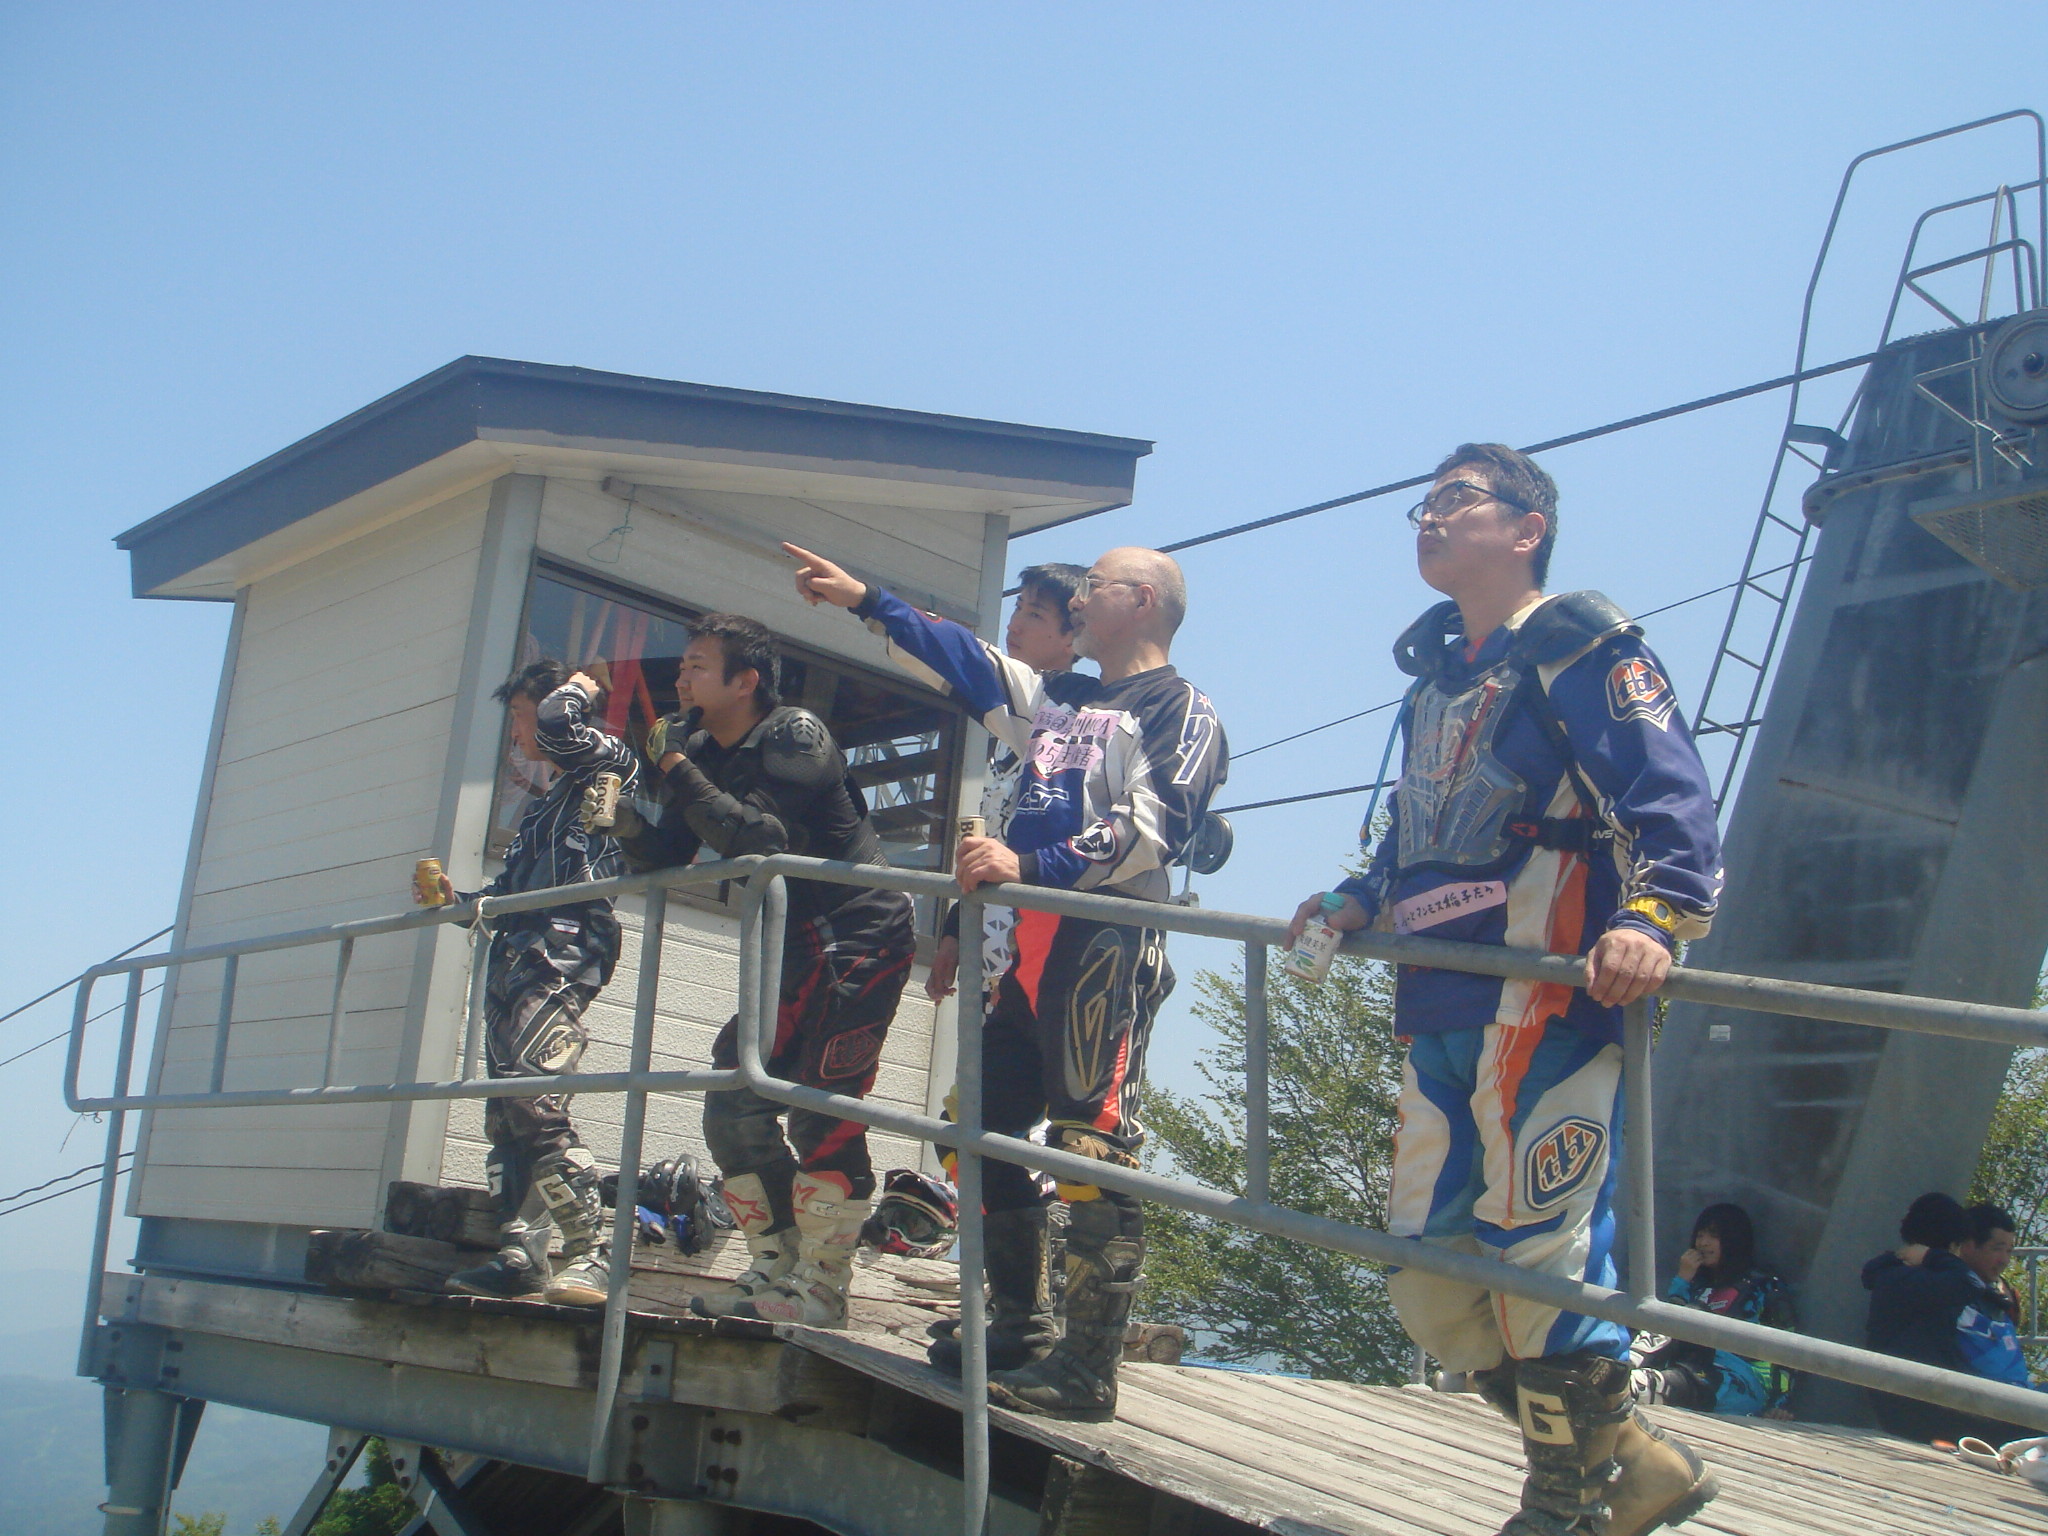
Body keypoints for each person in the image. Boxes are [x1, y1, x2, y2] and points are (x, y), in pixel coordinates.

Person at [1284, 444, 1724, 1536]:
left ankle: (1564, 1508)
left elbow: (1672, 797)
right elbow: (1419, 824)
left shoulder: (1585, 649)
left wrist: (1651, 918)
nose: (1429, 520)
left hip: (1547, 993)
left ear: (1528, 528)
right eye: (1423, 506)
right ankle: (1635, 1458)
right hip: (1437, 995)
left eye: (1455, 501)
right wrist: (1354, 898)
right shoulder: (1437, 676)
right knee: (1426, 1275)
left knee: (1539, 1254)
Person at [784, 538, 1228, 1423]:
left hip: (1104, 947)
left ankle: (1089, 1370)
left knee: (1090, 1148)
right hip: (1023, 954)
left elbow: (1157, 830)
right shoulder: (1060, 700)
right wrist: (867, 598)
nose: (1078, 600)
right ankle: (1020, 1325)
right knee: (971, 1129)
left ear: (1141, 601)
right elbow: (967, 659)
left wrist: (1027, 862)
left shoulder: (1184, 709)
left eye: (1094, 585)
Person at [614, 613, 916, 1328]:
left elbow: (758, 836)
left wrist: (674, 767)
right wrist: (620, 819)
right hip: (790, 940)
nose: (681, 678)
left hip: (862, 930)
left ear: (746, 680)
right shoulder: (696, 747)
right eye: (682, 665)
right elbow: (670, 852)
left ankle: (823, 1287)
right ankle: (774, 1268)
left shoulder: (794, 733)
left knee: (823, 1106)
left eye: (696, 665)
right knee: (734, 1103)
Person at [426, 662, 639, 1307]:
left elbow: (556, 724)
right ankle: (522, 1252)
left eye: (519, 716)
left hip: (561, 955)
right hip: (515, 959)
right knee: (506, 1114)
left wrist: (578, 687)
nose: (518, 733)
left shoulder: (606, 763)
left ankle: (593, 1252)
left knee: (533, 1099)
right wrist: (456, 902)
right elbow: (509, 895)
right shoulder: (546, 805)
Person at [925, 561, 1089, 1006]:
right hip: (988, 946)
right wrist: (955, 931)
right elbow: (990, 839)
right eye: (1017, 608)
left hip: (1043, 953)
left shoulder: (1080, 717)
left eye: (1035, 614)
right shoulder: (1002, 726)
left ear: (1074, 633)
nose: (1015, 625)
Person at [1865, 1192, 2044, 1444]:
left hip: (1931, 1402)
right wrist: (1933, 1256)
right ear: (1956, 1245)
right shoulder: (1921, 1281)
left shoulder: (1905, 1277)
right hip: (1926, 1413)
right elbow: (1968, 1282)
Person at [1631, 1204, 1795, 1418]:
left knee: (1692, 1320)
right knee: (1677, 1315)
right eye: (1700, 1235)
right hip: (1689, 1367)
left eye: (1713, 1236)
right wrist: (1683, 1280)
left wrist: (1779, 1405)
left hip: (1739, 1383)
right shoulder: (1697, 1284)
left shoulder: (1764, 1287)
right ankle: (1624, 1366)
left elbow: (1788, 1354)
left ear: (1734, 1239)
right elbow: (1666, 1327)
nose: (1703, 1243)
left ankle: (1635, 1385)